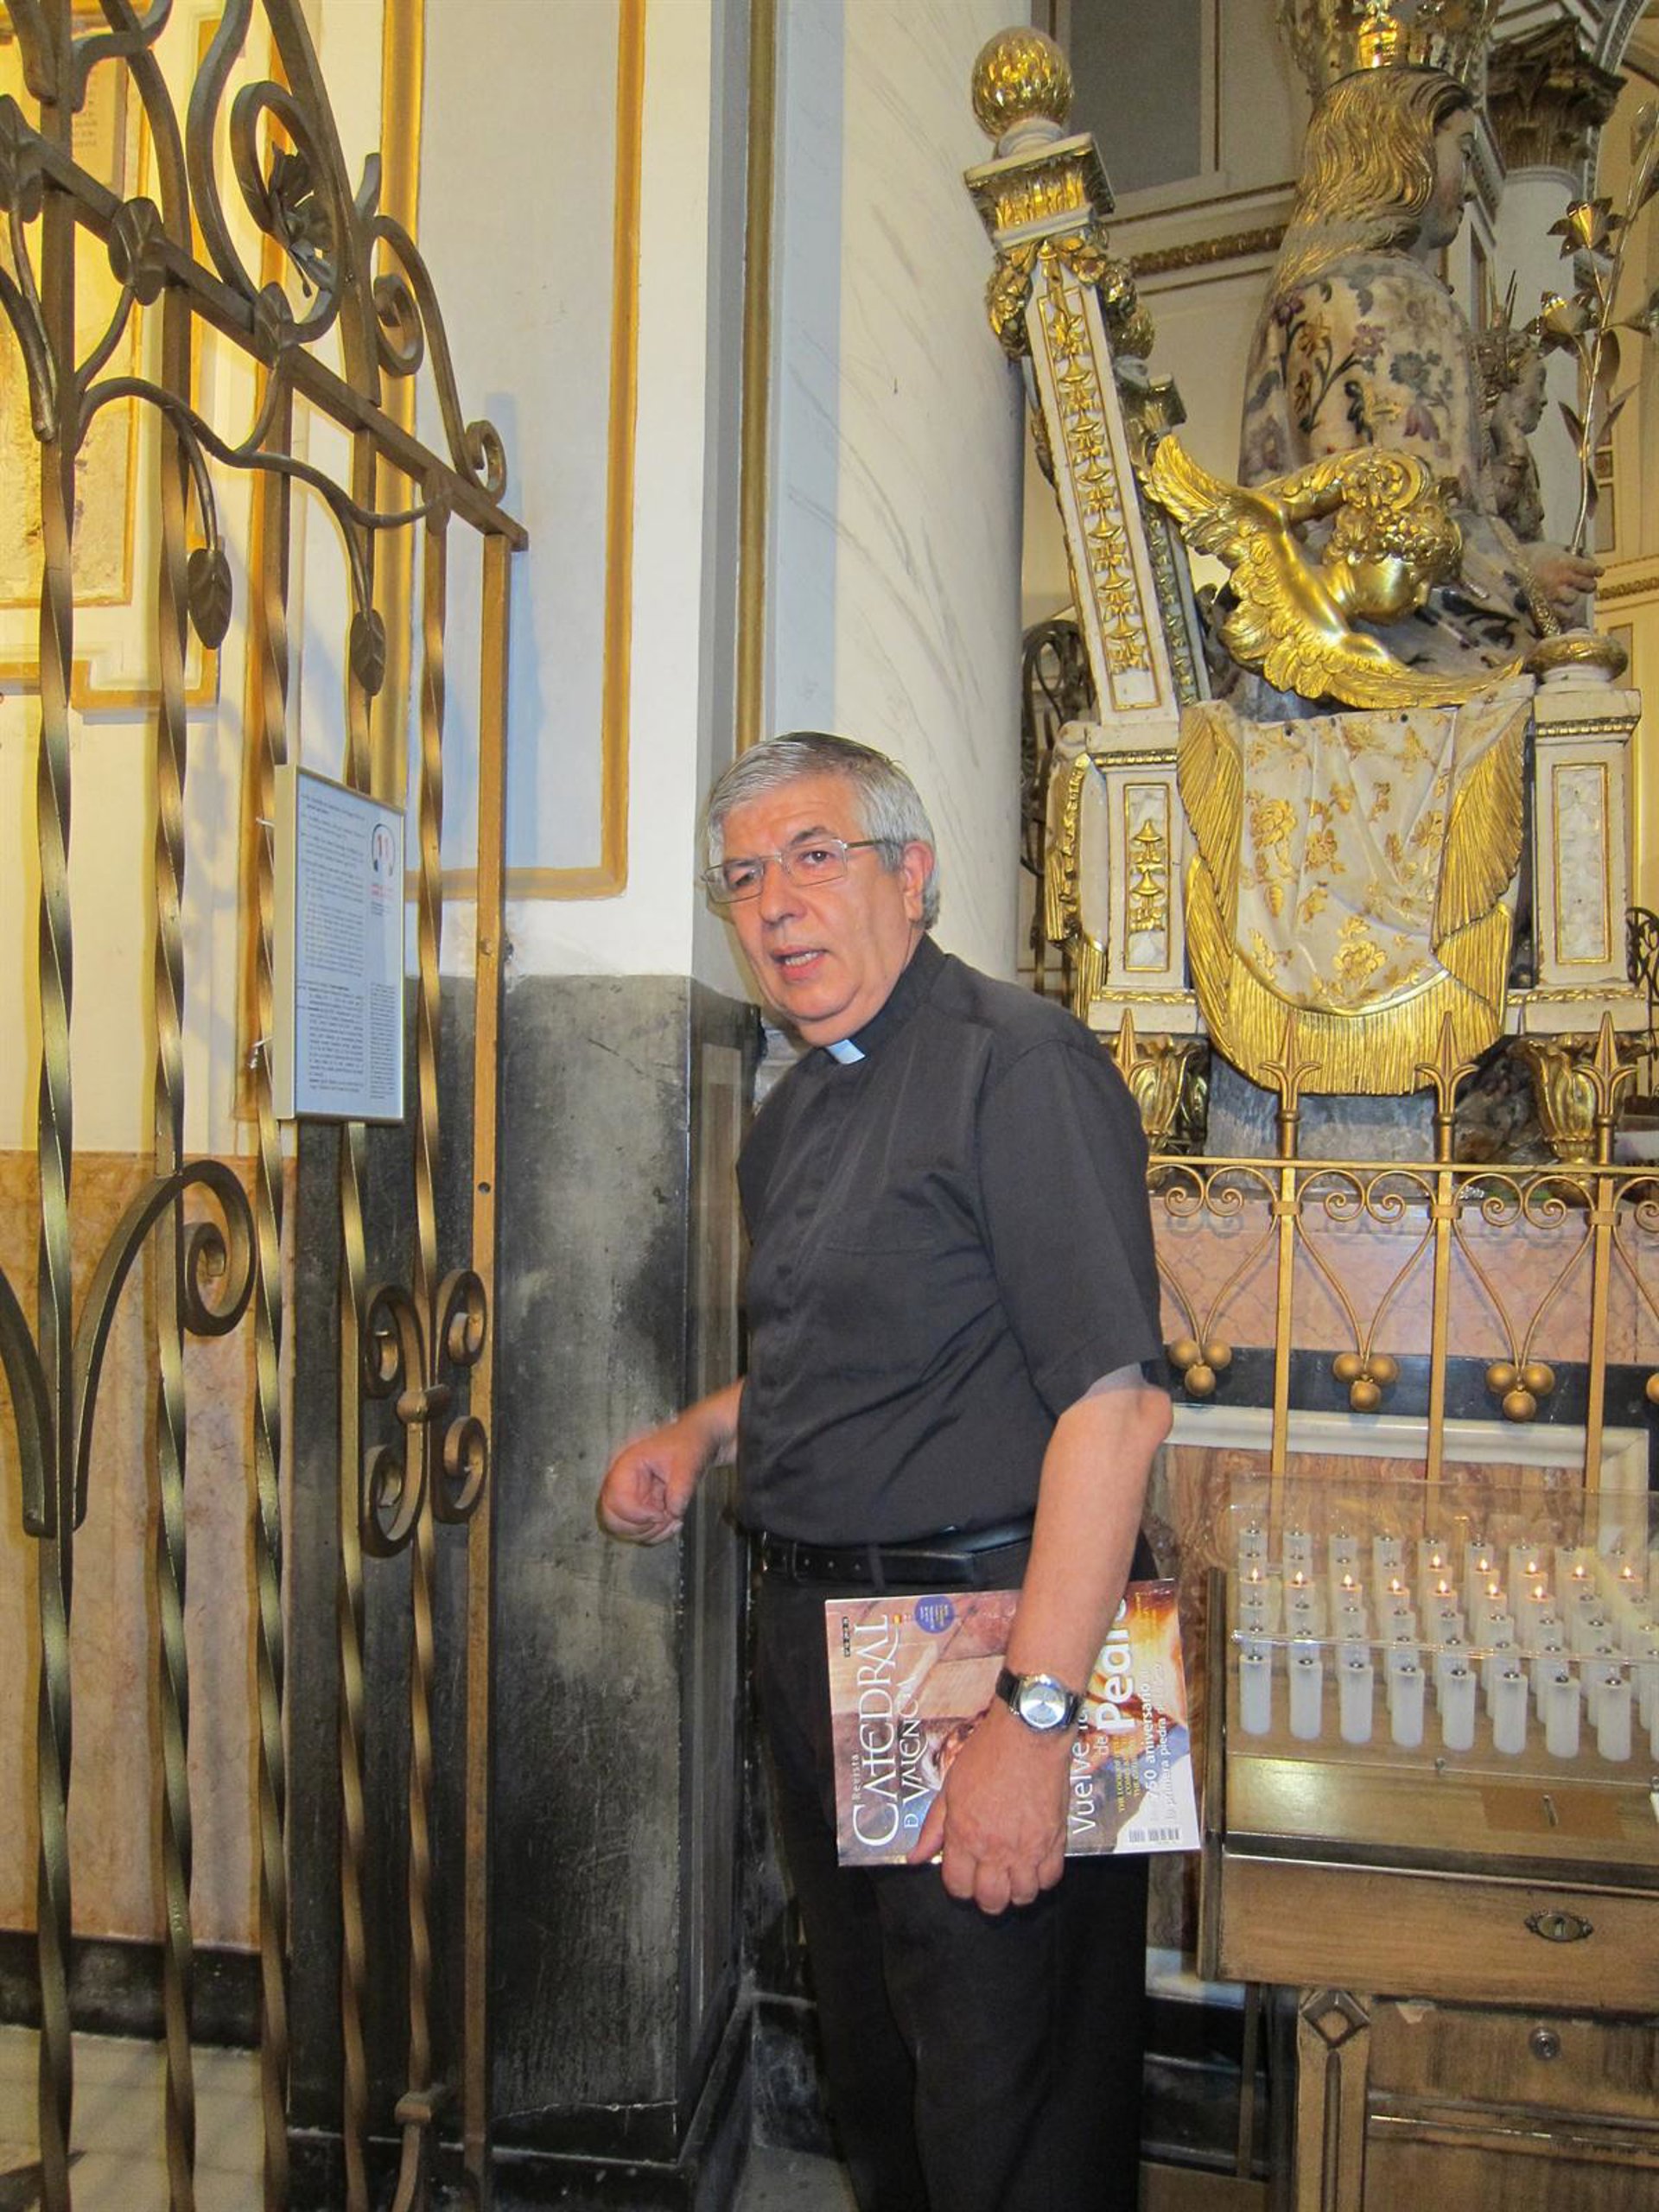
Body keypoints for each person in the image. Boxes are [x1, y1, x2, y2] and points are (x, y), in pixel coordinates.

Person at [599, 732, 1171, 2212]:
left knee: (1008, 2109)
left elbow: (1114, 1410)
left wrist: (1033, 1728)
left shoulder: (1017, 1064)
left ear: (911, 874)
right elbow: (864, 1348)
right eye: (742, 878)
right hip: (830, 1645)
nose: (773, 903)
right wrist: (702, 1431)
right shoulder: (802, 1105)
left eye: (813, 855)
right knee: (885, 2082)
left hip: (992, 1635)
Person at [1237, 64, 1599, 686]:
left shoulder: (1304, 293)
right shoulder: (1397, 294)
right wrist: (1525, 573)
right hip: (1404, 641)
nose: (1468, 184)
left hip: (1310, 626)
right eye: (1462, 150)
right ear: (1403, 152)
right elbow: (1416, 520)